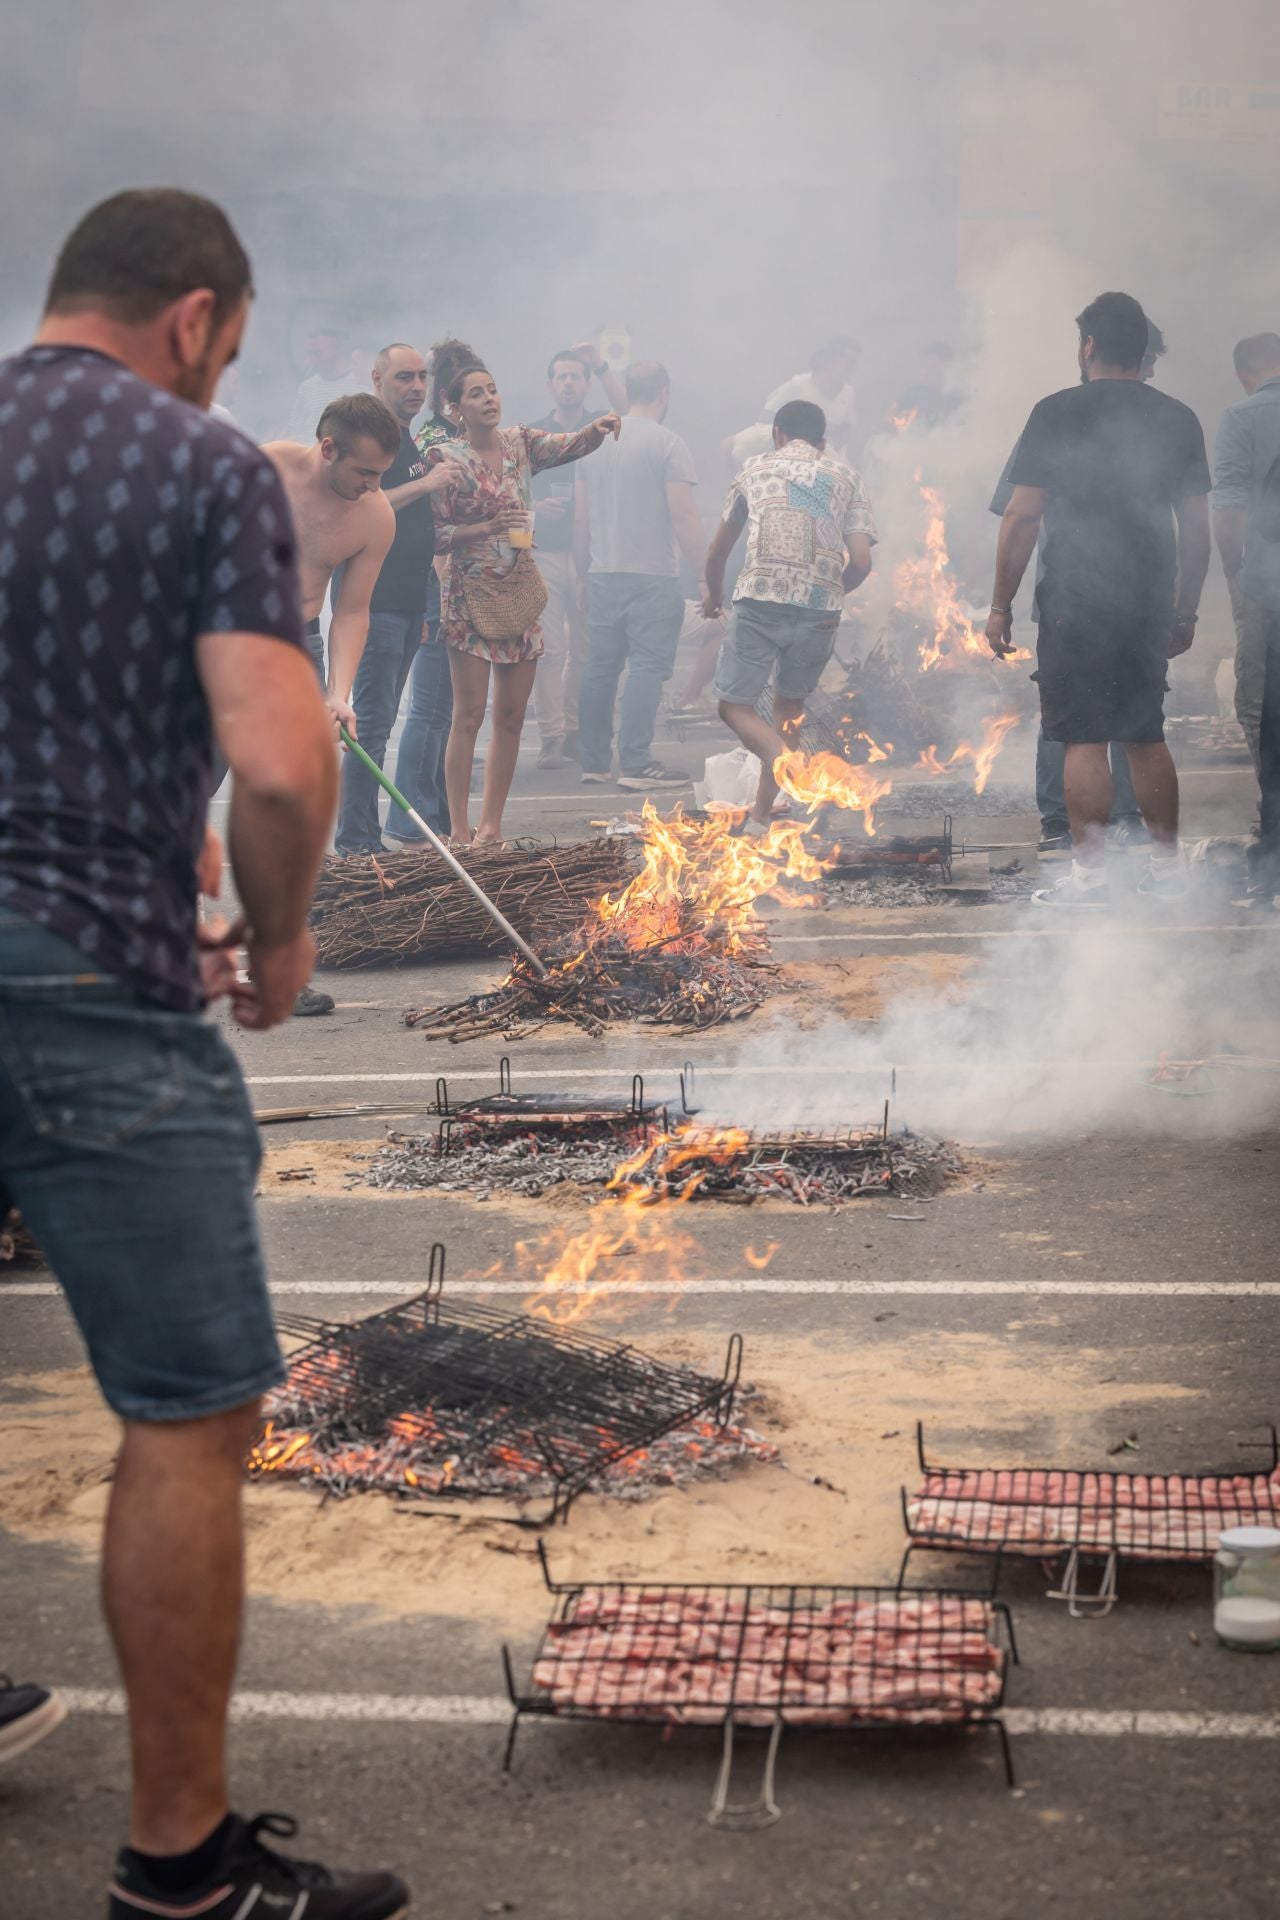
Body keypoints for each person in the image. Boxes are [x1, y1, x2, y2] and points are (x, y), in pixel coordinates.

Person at [0, 188, 408, 1917]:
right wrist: (286, 922)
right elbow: (289, 758)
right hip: (85, 969)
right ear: (194, 316)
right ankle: (183, 1875)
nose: (219, 371)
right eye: (227, 346)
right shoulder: (203, 465)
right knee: (186, 1415)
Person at [985, 291, 1211, 908]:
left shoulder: (1055, 411)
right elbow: (1195, 529)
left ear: (1088, 347)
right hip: (1146, 601)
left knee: (1083, 737)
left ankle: (1089, 881)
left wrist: (1001, 603)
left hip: (1074, 600)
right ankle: (1166, 874)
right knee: (1145, 733)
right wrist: (1186, 609)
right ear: (1143, 351)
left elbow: (1022, 516)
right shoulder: (1178, 417)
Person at [423, 361, 620, 841]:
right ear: (455, 408)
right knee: (468, 716)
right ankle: (459, 828)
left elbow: (571, 444)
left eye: (492, 390)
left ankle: (491, 826)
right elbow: (436, 535)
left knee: (510, 715)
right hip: (470, 596)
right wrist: (485, 528)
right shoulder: (444, 458)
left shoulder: (520, 442)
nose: (489, 399)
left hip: (521, 590)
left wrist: (595, 429)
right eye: (476, 394)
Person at [703, 399, 877, 831]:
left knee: (733, 706)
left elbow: (718, 550)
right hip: (820, 610)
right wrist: (833, 590)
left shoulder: (752, 468)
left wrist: (712, 595)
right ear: (822, 441)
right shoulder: (848, 477)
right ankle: (761, 815)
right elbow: (860, 561)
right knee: (790, 709)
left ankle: (791, 765)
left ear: (777, 434)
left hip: (759, 601)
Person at [575, 361, 706, 790]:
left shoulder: (594, 443)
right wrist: (706, 575)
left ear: (629, 391)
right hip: (652, 576)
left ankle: (593, 762)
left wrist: (582, 573)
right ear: (664, 393)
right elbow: (684, 515)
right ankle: (635, 763)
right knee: (647, 667)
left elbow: (582, 518)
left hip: (602, 571)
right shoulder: (669, 443)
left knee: (599, 667)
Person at [334, 343, 441, 855]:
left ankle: (362, 835)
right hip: (371, 607)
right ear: (377, 379)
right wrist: (429, 486)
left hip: (406, 604)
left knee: (381, 721)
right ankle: (357, 841)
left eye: (421, 377)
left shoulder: (408, 440)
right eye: (404, 377)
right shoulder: (373, 439)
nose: (416, 387)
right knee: (370, 725)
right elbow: (364, 506)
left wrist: (421, 604)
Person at [262, 394, 401, 737]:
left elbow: (352, 612)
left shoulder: (376, 517)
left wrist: (338, 694)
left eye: (382, 473)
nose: (374, 485)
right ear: (328, 449)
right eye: (365, 472)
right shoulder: (267, 468)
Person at [384, 338, 478, 841]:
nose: (483, 397)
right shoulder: (436, 440)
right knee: (431, 705)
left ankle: (431, 813)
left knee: (443, 708)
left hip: (448, 584)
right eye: (472, 387)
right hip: (436, 584)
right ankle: (411, 816)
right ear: (452, 394)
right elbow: (429, 518)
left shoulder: (452, 435)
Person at [528, 345, 620, 768]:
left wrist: (602, 366)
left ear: (586, 385)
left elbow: (633, 416)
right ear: (550, 384)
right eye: (561, 376)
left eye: (575, 377)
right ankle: (552, 736)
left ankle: (576, 730)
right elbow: (508, 488)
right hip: (544, 550)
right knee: (551, 650)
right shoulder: (531, 434)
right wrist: (532, 512)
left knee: (586, 648)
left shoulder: (602, 427)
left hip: (595, 554)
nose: (568, 383)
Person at [1212, 332, 1280, 773]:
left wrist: (1231, 569)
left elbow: (1230, 503)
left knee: (1259, 699)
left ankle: (1274, 818)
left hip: (1262, 578)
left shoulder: (1241, 417)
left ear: (1243, 374)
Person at [765, 336, 859, 458]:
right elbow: (766, 418)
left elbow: (848, 427)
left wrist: (834, 443)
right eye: (849, 362)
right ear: (829, 361)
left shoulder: (848, 392)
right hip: (789, 456)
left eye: (855, 363)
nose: (853, 368)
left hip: (827, 459)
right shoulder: (797, 386)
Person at [280, 322, 351, 443]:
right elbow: (295, 430)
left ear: (336, 346)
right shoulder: (307, 387)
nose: (311, 343)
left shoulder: (359, 382)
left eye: (317, 352)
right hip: (314, 456)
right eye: (310, 353)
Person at [892, 340, 963, 432]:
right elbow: (893, 420)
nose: (926, 372)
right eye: (924, 366)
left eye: (933, 367)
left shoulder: (958, 399)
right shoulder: (912, 395)